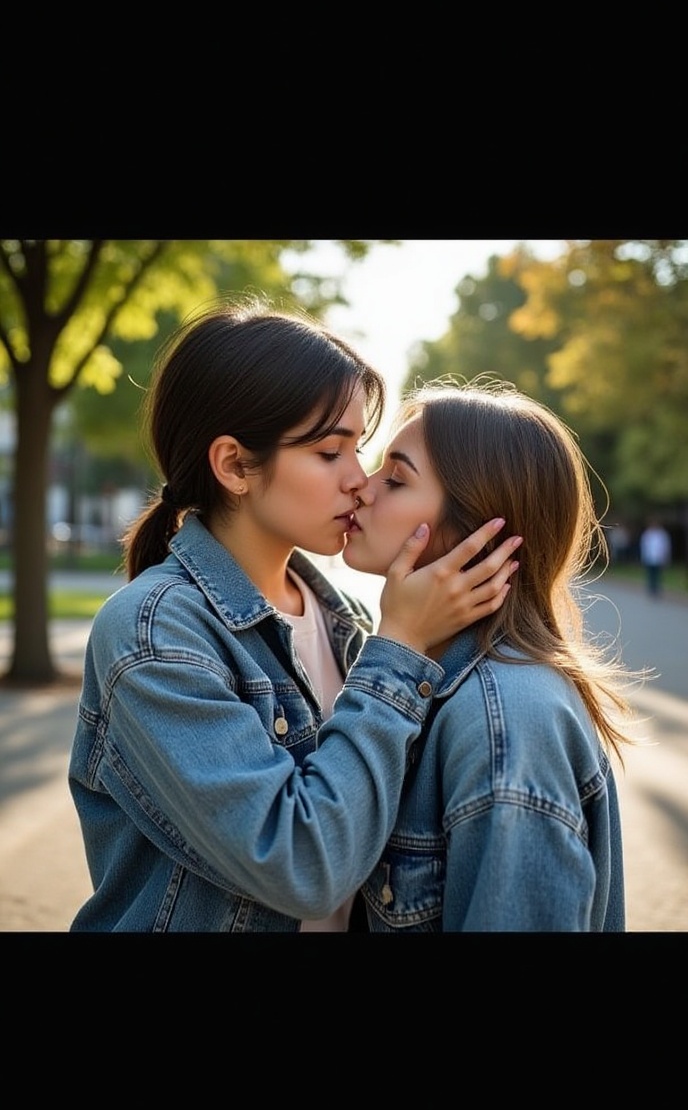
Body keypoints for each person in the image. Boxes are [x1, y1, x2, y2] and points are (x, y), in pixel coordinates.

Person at [68, 302, 521, 932]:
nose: (360, 481)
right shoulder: (153, 633)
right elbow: (303, 868)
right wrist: (402, 649)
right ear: (234, 465)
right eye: (329, 452)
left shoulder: (351, 621)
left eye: (359, 449)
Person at [342, 377, 639, 932]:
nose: (362, 485)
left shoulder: (506, 727)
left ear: (475, 533)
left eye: (397, 478)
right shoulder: (434, 679)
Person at [639, 518, 672, 596]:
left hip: (659, 557)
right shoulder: (647, 534)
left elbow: (666, 546)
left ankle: (657, 589)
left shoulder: (662, 534)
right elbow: (644, 546)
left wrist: (666, 557)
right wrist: (643, 557)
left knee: (658, 574)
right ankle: (651, 589)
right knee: (650, 574)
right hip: (649, 557)